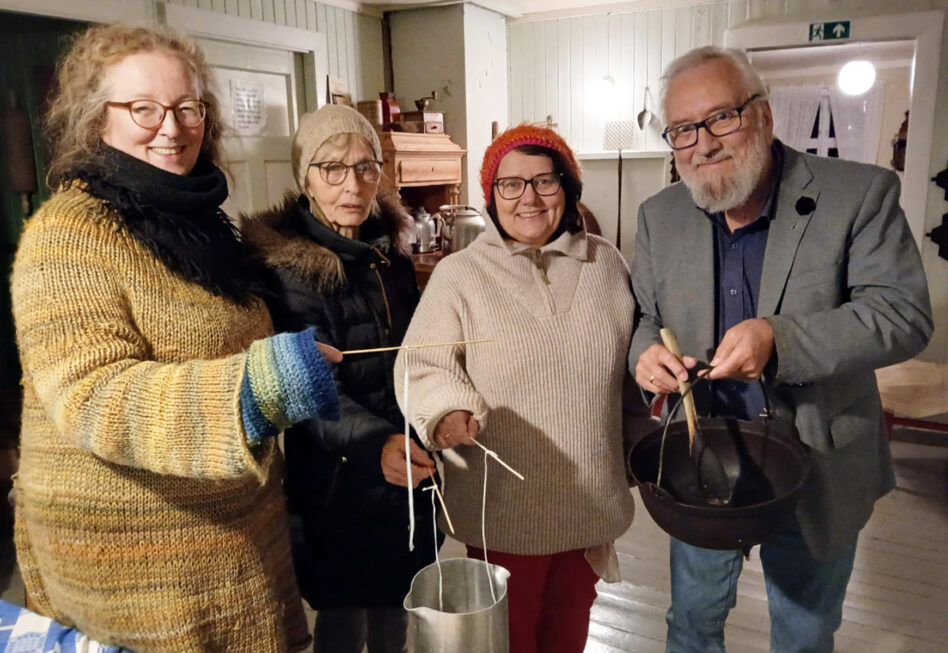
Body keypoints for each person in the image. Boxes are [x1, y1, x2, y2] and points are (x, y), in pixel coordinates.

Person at [10, 24, 342, 652]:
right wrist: (261, 385)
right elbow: (93, 395)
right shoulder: (68, 236)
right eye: (144, 108)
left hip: (233, 543)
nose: (172, 127)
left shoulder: (199, 222)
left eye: (188, 107)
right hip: (140, 573)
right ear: (97, 119)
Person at [629, 46, 932, 653]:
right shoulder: (659, 216)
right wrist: (645, 354)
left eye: (721, 117)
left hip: (817, 461)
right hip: (702, 457)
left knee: (803, 633)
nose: (703, 144)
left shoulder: (859, 193)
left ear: (763, 116)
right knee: (691, 624)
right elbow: (644, 317)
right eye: (683, 129)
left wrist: (779, 339)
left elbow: (903, 315)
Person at [395, 124, 643, 653]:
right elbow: (422, 365)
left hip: (589, 503)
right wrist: (446, 411)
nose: (528, 197)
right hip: (504, 508)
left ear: (568, 187)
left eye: (544, 180)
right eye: (510, 184)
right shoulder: (460, 274)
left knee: (568, 634)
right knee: (509, 640)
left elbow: (634, 368)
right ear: (492, 195)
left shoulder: (606, 264)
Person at [241, 104, 439, 653]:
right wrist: (376, 441)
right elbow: (305, 391)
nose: (352, 184)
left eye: (365, 167)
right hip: (337, 482)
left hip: (406, 466)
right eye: (331, 168)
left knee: (399, 609)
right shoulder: (285, 271)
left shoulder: (391, 256)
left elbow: (419, 357)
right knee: (343, 624)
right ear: (304, 178)